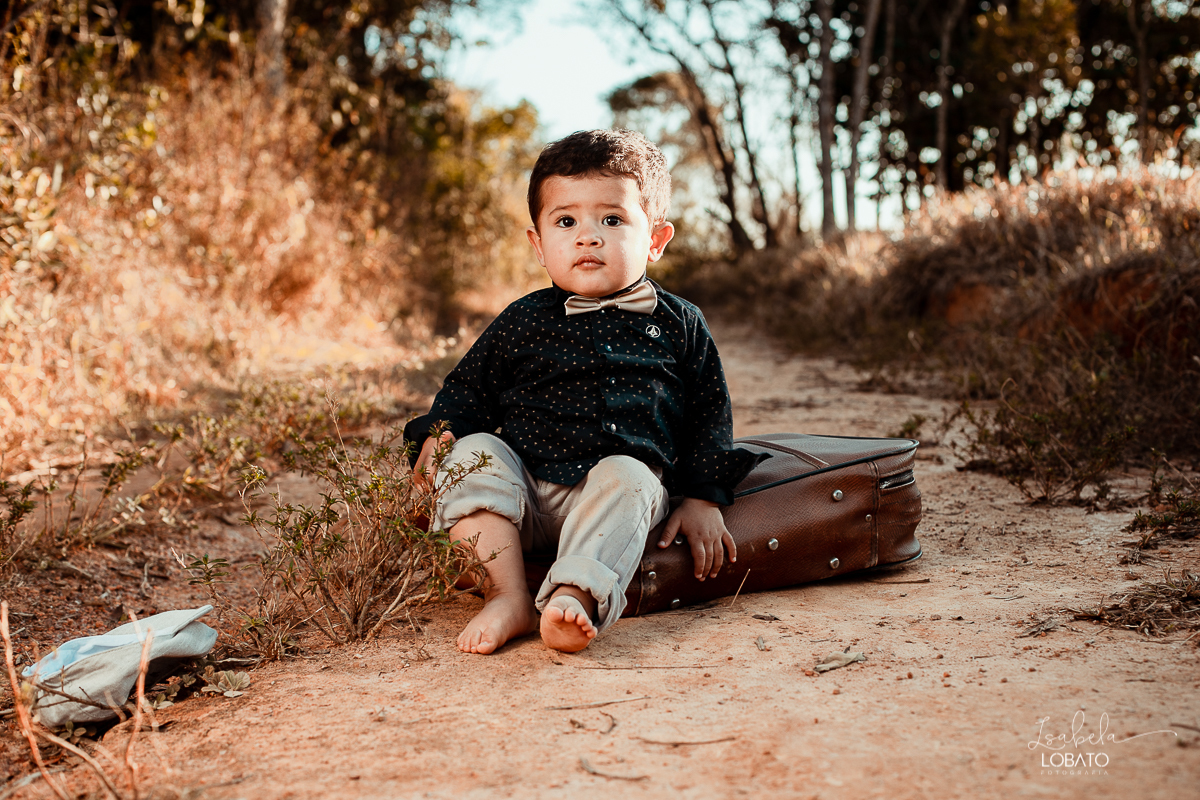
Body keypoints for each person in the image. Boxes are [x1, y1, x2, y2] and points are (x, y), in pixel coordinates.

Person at [404, 129, 763, 655]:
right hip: (524, 498)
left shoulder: (680, 322)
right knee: (473, 451)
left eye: (612, 220)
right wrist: (441, 434)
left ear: (656, 239)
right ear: (538, 244)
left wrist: (703, 497)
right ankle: (507, 595)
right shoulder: (523, 320)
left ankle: (574, 596)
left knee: (632, 476)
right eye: (566, 221)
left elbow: (709, 413)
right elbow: (468, 389)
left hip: (613, 509)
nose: (587, 237)